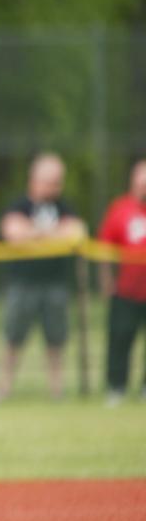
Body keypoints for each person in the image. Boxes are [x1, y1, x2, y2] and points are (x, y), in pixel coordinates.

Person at [0, 153, 86, 402]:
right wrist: (54, 233)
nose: (55, 187)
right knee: (13, 339)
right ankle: (2, 390)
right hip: (22, 285)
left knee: (56, 342)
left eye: (58, 181)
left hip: (55, 285)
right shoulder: (19, 205)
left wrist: (33, 233)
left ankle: (57, 393)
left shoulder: (64, 207)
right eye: (51, 181)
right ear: (34, 179)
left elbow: (77, 232)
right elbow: (12, 232)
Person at [98, 159, 146, 406]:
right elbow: (105, 247)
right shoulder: (120, 209)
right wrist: (107, 282)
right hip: (126, 291)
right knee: (120, 338)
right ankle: (116, 387)